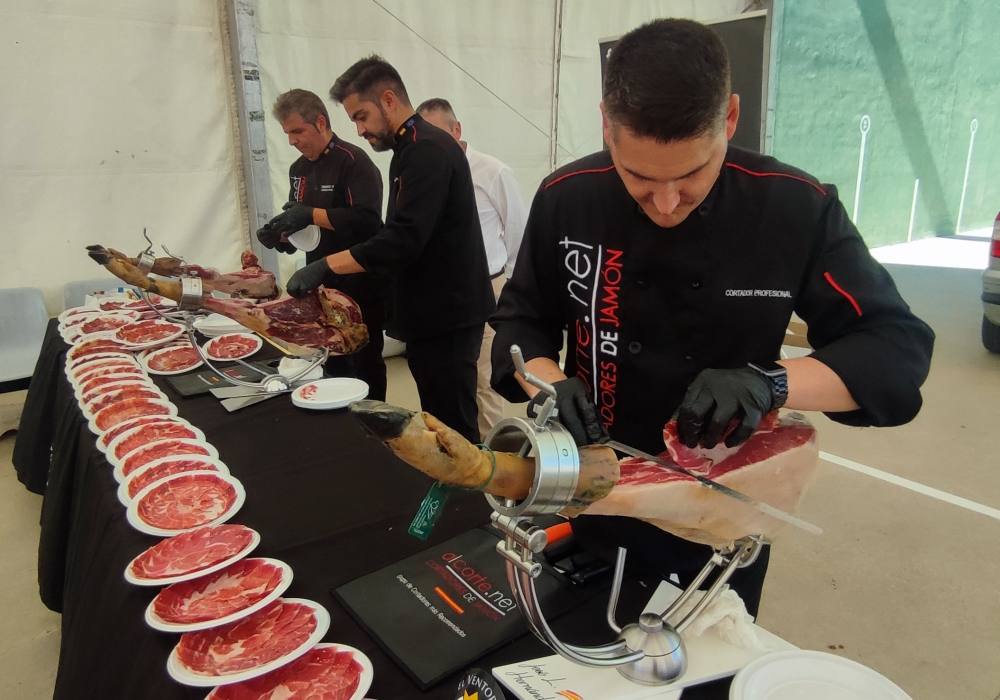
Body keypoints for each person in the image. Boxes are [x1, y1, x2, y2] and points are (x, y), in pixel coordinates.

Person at [490, 19, 934, 616]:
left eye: (691, 176)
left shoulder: (794, 207)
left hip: (723, 504)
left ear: (728, 118)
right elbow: (522, 320)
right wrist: (549, 382)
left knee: (701, 660)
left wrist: (769, 381)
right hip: (591, 484)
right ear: (605, 123)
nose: (666, 204)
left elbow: (895, 347)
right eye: (640, 179)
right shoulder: (567, 195)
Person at [286, 57, 495, 443]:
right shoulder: (407, 150)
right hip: (429, 313)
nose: (360, 129)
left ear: (388, 98)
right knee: (437, 415)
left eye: (362, 116)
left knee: (454, 423)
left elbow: (403, 237)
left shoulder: (427, 150)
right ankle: (451, 492)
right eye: (354, 121)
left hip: (448, 314)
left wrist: (326, 266)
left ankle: (469, 499)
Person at [256, 89, 388, 400]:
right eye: (287, 134)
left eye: (298, 131)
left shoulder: (354, 162)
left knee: (365, 362)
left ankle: (375, 431)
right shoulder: (298, 170)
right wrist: (283, 236)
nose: (292, 141)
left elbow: (368, 221)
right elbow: (303, 223)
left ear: (321, 123)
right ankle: (340, 423)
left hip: (360, 281)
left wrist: (311, 214)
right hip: (319, 281)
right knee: (330, 359)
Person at [416, 97, 528, 439]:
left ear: (457, 129)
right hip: (443, 294)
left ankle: (489, 462)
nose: (433, 144)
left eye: (439, 134)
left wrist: (509, 289)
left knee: (484, 380)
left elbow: (518, 231)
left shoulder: (492, 171)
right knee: (451, 377)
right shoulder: (423, 173)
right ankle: (453, 451)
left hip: (488, 286)